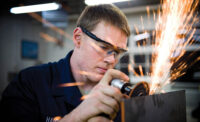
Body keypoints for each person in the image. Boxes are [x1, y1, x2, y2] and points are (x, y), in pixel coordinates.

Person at [0, 4, 130, 122]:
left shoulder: (118, 98)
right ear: (78, 38)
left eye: (117, 52)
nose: (112, 60)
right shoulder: (30, 83)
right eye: (103, 47)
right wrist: (78, 115)